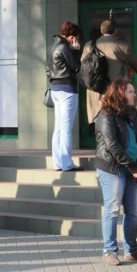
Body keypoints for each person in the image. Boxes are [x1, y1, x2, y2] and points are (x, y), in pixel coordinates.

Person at [94, 79, 137, 266]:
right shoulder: (106, 115)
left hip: (132, 168)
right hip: (112, 168)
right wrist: (132, 167)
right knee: (113, 208)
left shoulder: (131, 114)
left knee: (134, 210)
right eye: (130, 91)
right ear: (120, 93)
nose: (134, 95)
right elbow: (112, 145)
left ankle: (131, 250)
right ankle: (109, 251)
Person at [84, 19, 137, 124]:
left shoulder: (88, 46)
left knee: (101, 127)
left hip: (96, 91)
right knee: (119, 125)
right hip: (116, 91)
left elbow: (83, 65)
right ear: (115, 31)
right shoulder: (122, 46)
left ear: (101, 31)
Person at [48, 21, 83, 171]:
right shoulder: (64, 47)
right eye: (76, 38)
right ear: (71, 37)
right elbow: (76, 67)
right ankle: (67, 163)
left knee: (58, 128)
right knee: (66, 128)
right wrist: (76, 50)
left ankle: (58, 163)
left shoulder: (51, 47)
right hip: (67, 89)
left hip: (55, 89)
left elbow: (48, 70)